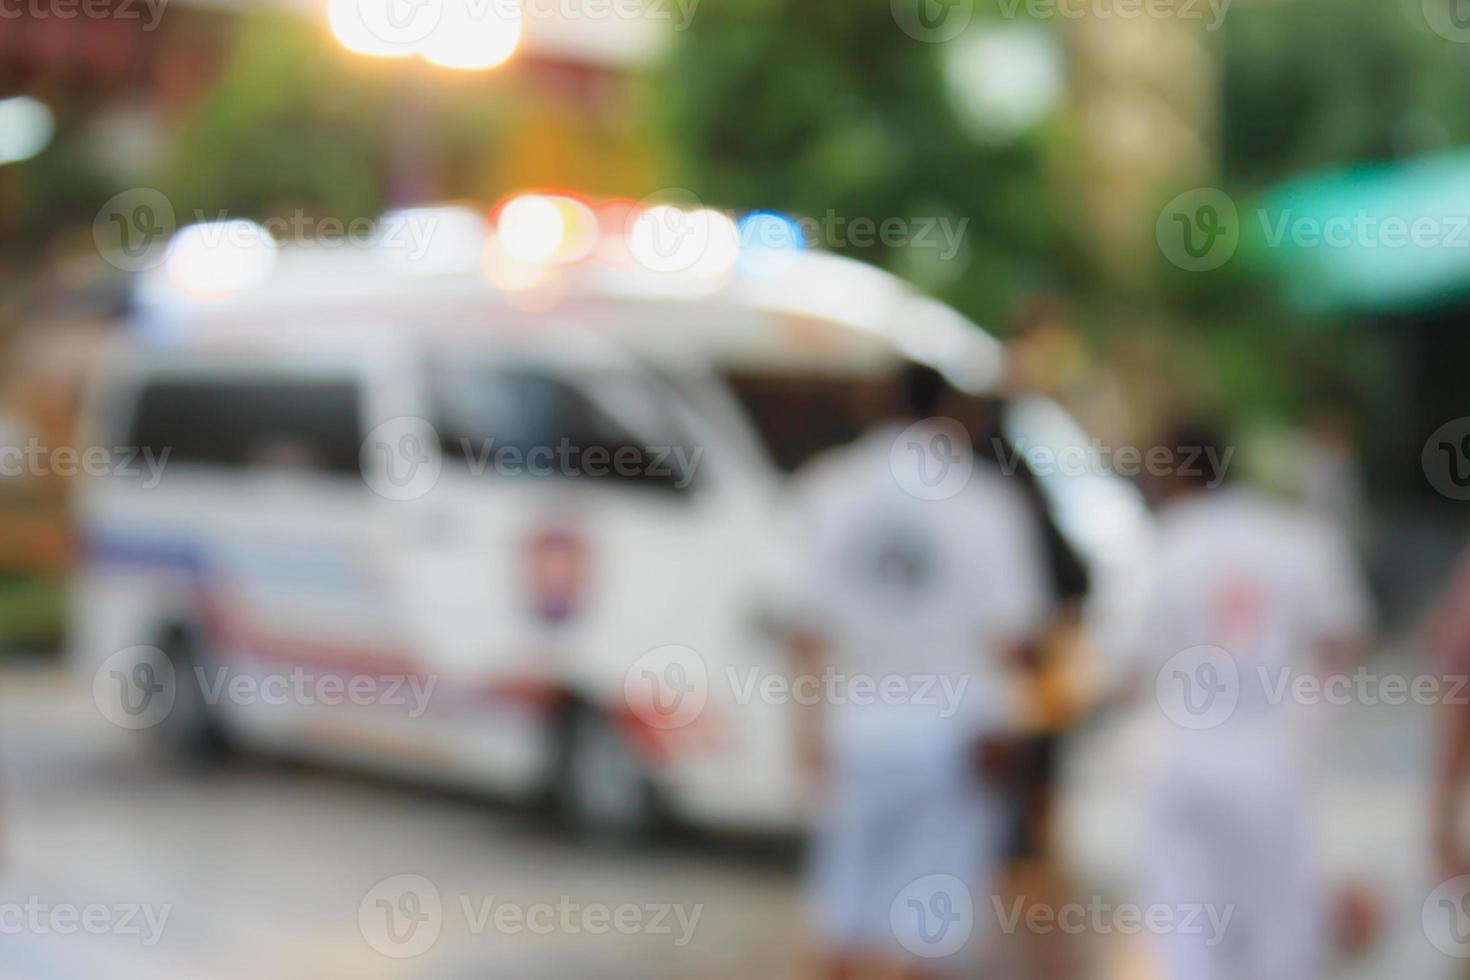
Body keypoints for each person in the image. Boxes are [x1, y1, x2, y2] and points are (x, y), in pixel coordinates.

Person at [787, 362, 1054, 979]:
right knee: (930, 935)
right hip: (954, 742)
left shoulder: (831, 489)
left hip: (856, 735)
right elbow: (1014, 638)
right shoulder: (985, 501)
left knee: (841, 923)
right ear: (951, 413)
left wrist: (807, 737)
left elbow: (808, 633)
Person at [1131, 419, 1371, 980]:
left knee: (1188, 935)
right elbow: (1344, 638)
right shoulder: (1296, 537)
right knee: (1281, 931)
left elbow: (1121, 664)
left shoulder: (1156, 547)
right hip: (1273, 758)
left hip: (1180, 760)